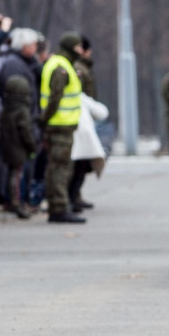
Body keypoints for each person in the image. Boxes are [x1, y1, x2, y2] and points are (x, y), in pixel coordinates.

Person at [40, 31, 86, 224]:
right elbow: (55, 98)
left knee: (57, 167)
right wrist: (45, 120)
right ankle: (59, 207)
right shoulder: (61, 68)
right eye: (78, 47)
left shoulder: (60, 64)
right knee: (60, 168)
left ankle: (56, 206)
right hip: (60, 125)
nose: (81, 51)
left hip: (60, 125)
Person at [0, 75, 37, 219]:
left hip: (9, 146)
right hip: (19, 149)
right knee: (16, 176)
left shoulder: (7, 108)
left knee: (11, 174)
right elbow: (25, 131)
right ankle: (16, 203)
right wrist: (32, 147)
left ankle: (12, 201)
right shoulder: (22, 110)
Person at [69, 35, 96, 212]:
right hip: (78, 119)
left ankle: (75, 196)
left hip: (82, 118)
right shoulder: (78, 69)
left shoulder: (82, 68)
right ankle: (73, 196)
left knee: (83, 161)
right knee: (79, 161)